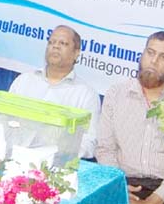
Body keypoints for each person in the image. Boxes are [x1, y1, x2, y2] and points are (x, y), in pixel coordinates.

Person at [96, 31, 164, 204]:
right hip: (125, 182)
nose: (153, 61)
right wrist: (119, 186)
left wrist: (156, 199)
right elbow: (105, 149)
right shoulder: (116, 94)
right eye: (150, 53)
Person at [9, 25, 100, 159]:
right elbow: (5, 122)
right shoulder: (23, 81)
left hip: (56, 165)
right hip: (14, 156)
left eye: (63, 43)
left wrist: (62, 153)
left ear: (76, 53)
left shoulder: (86, 94)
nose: (55, 46)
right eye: (51, 42)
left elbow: (90, 142)